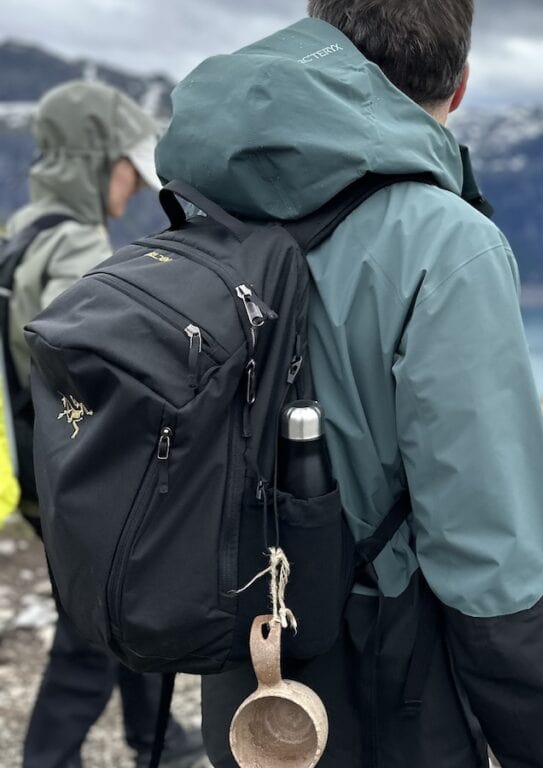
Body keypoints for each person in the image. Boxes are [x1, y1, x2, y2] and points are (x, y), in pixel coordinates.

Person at [155, 1, 543, 766]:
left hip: (245, 670)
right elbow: (494, 556)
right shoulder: (445, 243)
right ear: (461, 84)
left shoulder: (211, 195)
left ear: (323, 39)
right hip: (385, 691)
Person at [7, 80, 206, 768]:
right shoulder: (77, 246)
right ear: (94, 159)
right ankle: (47, 759)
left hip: (31, 464)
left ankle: (160, 737)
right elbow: (103, 366)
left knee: (121, 595)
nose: (132, 180)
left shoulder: (22, 231)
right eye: (125, 163)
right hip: (76, 470)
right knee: (97, 623)